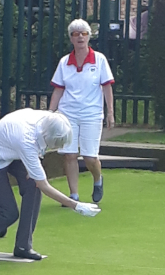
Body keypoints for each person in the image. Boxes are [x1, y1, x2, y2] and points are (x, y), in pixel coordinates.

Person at [0, 109, 101, 260]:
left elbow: (38, 165)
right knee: (8, 213)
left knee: (32, 186)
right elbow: (44, 185)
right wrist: (76, 206)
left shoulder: (50, 120)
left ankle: (23, 246)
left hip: (13, 152)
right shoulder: (26, 140)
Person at [48, 19, 115, 204]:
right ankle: (74, 195)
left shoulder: (99, 59)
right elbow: (59, 89)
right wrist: (49, 113)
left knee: (89, 157)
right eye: (75, 34)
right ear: (70, 38)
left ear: (89, 37)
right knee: (69, 154)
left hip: (91, 114)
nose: (80, 37)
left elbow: (107, 87)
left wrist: (110, 113)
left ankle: (97, 179)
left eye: (83, 33)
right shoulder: (64, 62)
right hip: (67, 113)